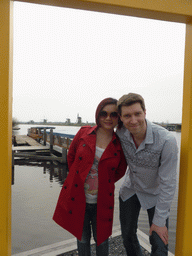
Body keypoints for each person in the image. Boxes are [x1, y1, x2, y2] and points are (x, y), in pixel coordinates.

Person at [53, 98, 127, 256]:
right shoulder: (83, 132)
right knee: (82, 238)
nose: (108, 118)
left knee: (102, 239)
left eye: (113, 114)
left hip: (102, 201)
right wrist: (78, 178)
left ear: (119, 117)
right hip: (78, 197)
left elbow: (120, 170)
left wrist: (104, 182)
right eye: (104, 113)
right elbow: (71, 157)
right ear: (98, 114)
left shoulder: (119, 144)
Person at [116, 93, 178, 256]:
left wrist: (159, 222)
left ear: (145, 112)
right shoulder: (121, 133)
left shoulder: (166, 141)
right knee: (127, 236)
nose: (133, 120)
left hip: (155, 193)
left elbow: (168, 184)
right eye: (127, 115)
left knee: (159, 243)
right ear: (121, 118)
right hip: (131, 188)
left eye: (137, 114)